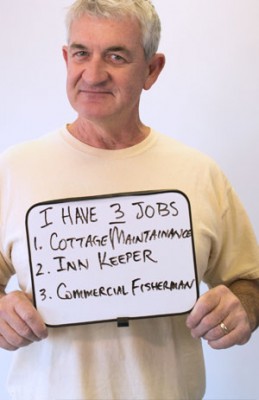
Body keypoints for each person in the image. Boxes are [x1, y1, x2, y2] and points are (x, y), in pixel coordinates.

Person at [0, 0, 259, 399]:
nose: (93, 73)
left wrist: (244, 308)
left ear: (152, 70)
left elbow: (250, 281)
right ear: (66, 58)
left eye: (116, 56)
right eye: (82, 53)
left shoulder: (198, 173)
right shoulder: (14, 170)